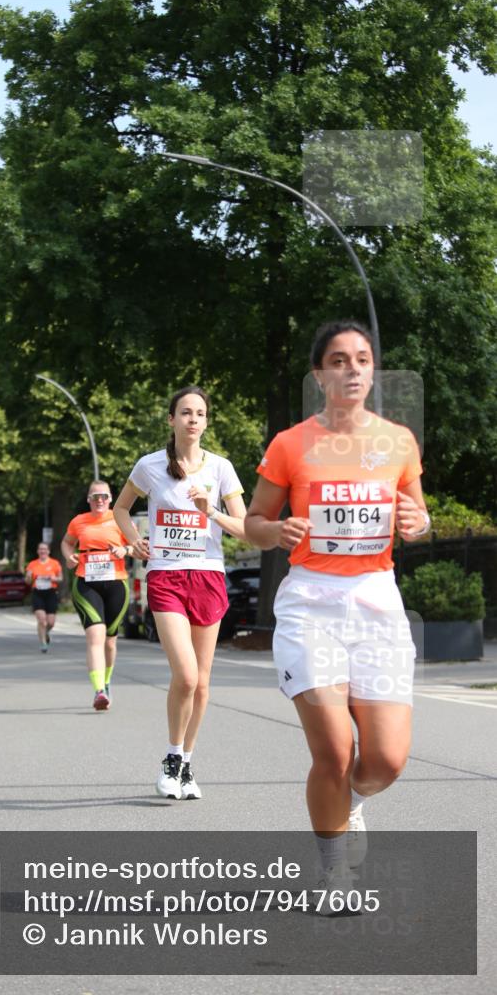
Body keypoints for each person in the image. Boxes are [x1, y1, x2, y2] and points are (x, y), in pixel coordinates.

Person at [244, 319, 430, 909]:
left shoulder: (398, 441)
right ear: (320, 373)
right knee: (333, 750)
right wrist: (277, 529)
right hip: (311, 604)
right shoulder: (290, 444)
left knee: (386, 761)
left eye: (363, 359)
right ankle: (334, 874)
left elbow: (418, 515)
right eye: (339, 360)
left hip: (376, 601)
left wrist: (417, 524)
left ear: (372, 371)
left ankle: (351, 801)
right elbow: (253, 523)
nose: (352, 369)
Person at [113, 386, 247, 800]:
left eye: (200, 413)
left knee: (202, 683)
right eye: (185, 412)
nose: (193, 419)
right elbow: (120, 508)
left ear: (207, 422)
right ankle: (171, 757)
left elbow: (246, 529)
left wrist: (211, 511)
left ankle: (186, 763)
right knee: (185, 676)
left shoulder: (221, 468)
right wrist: (135, 539)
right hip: (166, 576)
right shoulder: (150, 466)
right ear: (171, 420)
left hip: (207, 576)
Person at [61, 481, 131, 710]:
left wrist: (125, 550)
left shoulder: (120, 519)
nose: (99, 500)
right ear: (88, 500)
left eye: (103, 496)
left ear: (110, 499)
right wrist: (69, 556)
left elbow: (139, 545)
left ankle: (107, 681)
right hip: (86, 583)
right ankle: (99, 691)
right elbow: (66, 542)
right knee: (95, 636)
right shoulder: (78, 521)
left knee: (110, 642)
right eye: (94, 497)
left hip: (116, 584)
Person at [25, 542, 63, 652]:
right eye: (40, 549)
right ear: (38, 551)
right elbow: (28, 581)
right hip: (38, 593)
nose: (42, 551)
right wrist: (28, 576)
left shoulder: (55, 563)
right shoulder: (32, 564)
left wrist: (53, 578)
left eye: (45, 549)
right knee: (42, 620)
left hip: (51, 593)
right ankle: (43, 643)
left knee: (51, 622)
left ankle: (45, 632)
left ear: (48, 551)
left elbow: (61, 578)